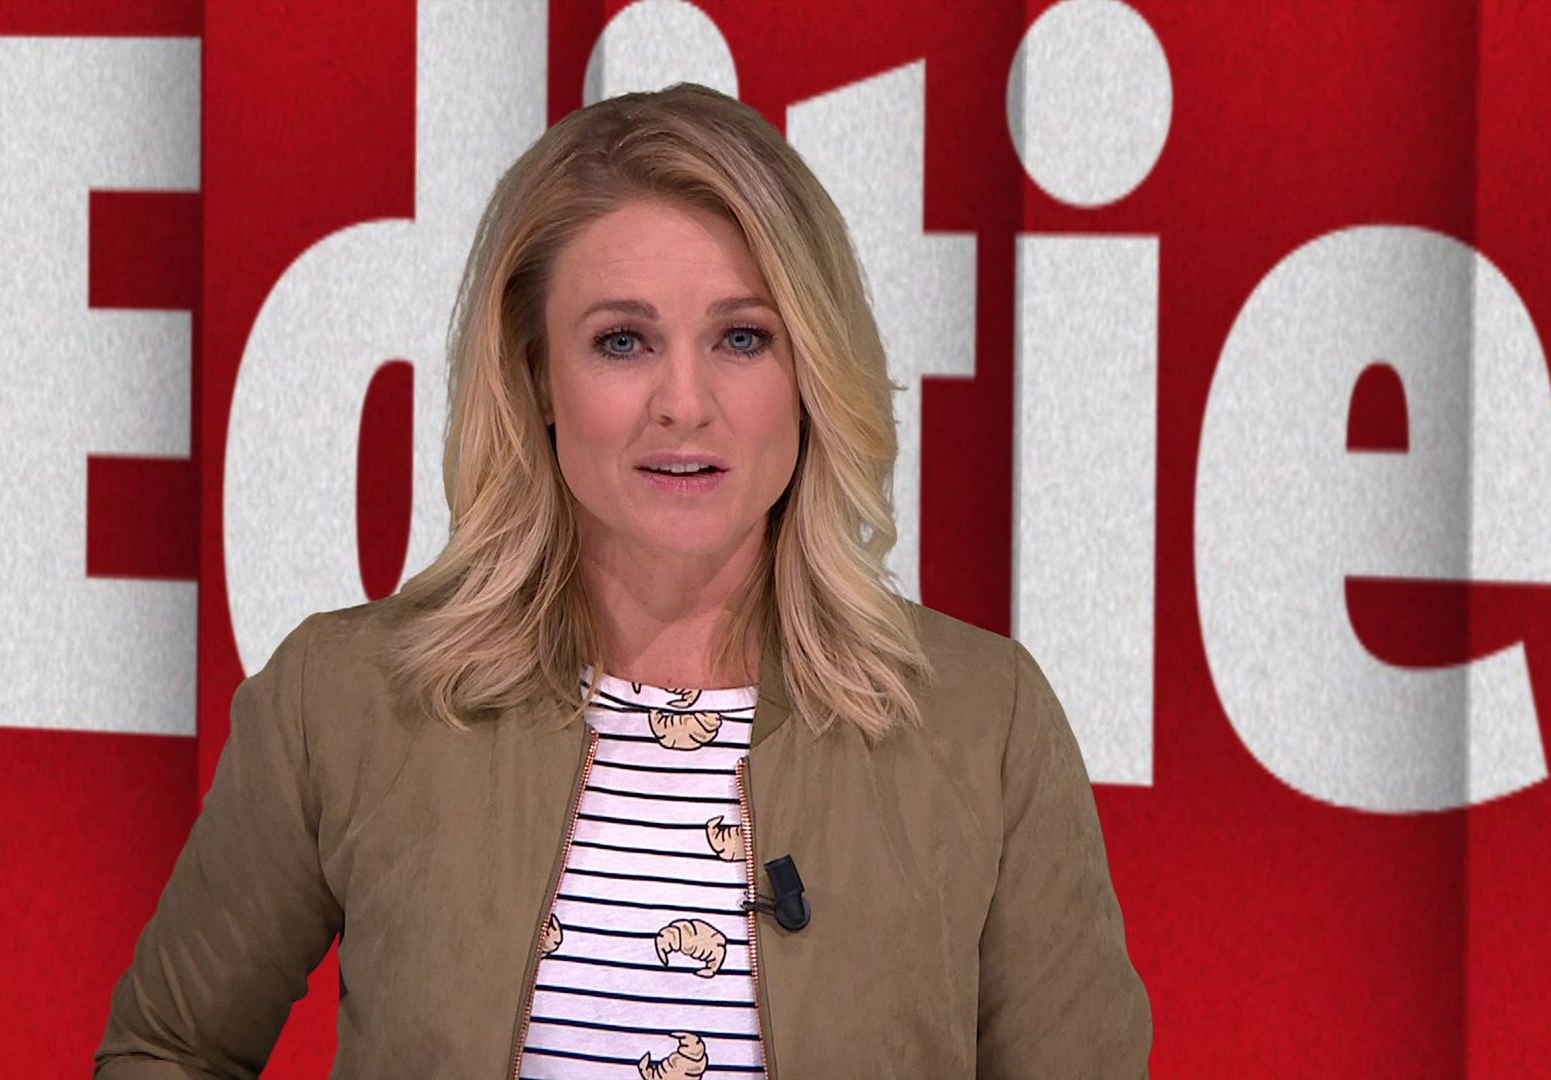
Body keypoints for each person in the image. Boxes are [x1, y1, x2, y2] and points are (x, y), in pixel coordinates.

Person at [96, 81, 1152, 1079]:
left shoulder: (985, 724)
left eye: (742, 337)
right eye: (622, 341)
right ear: (536, 376)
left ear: (811, 375)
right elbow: (168, 1049)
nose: (683, 402)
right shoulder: (345, 701)